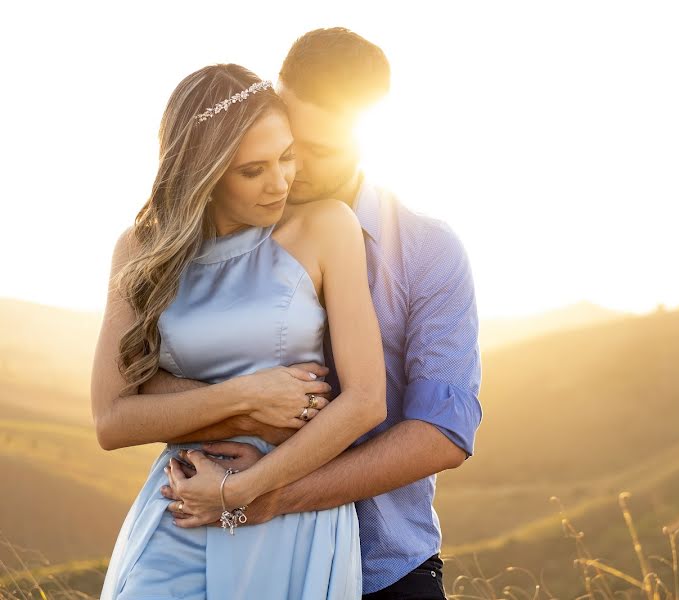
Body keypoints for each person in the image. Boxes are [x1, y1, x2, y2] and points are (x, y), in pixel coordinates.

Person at [152, 28, 484, 599]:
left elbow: (442, 434)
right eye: (287, 140)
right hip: (226, 554)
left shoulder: (427, 250)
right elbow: (133, 390)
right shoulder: (216, 234)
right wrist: (245, 409)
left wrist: (268, 496)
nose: (292, 168)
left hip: (384, 565)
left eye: (321, 150)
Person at [92, 63, 386, 599]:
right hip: (180, 506)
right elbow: (112, 419)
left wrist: (238, 491)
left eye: (286, 156)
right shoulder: (140, 251)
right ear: (203, 171)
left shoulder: (325, 227)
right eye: (253, 170)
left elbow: (366, 401)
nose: (281, 181)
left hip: (287, 513)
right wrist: (247, 396)